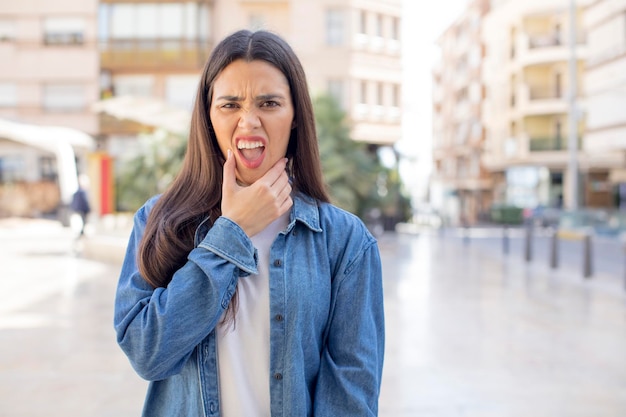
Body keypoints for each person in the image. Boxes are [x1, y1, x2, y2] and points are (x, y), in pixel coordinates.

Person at [114, 29, 385, 417]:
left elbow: (350, 398)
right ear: (208, 117)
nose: (249, 121)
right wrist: (232, 234)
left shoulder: (345, 243)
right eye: (230, 105)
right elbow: (146, 353)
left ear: (294, 118)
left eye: (269, 103)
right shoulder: (157, 221)